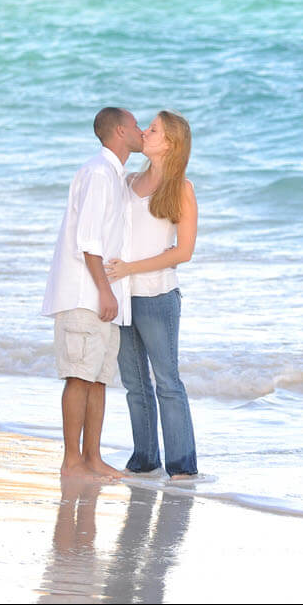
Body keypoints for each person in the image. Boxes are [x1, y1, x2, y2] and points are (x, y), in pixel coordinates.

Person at [42, 107, 143, 480]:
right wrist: (104, 291)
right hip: (85, 294)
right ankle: (72, 461)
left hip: (101, 296)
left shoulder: (114, 176)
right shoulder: (99, 173)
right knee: (79, 376)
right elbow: (87, 241)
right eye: (135, 125)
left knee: (98, 378)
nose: (141, 130)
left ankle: (93, 458)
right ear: (119, 130)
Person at [104, 110, 200, 479]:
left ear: (170, 143)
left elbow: (183, 252)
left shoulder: (181, 189)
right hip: (122, 296)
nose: (144, 131)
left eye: (154, 129)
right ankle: (144, 461)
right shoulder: (126, 181)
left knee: (167, 382)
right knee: (134, 384)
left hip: (158, 297)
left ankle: (182, 467)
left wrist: (131, 268)